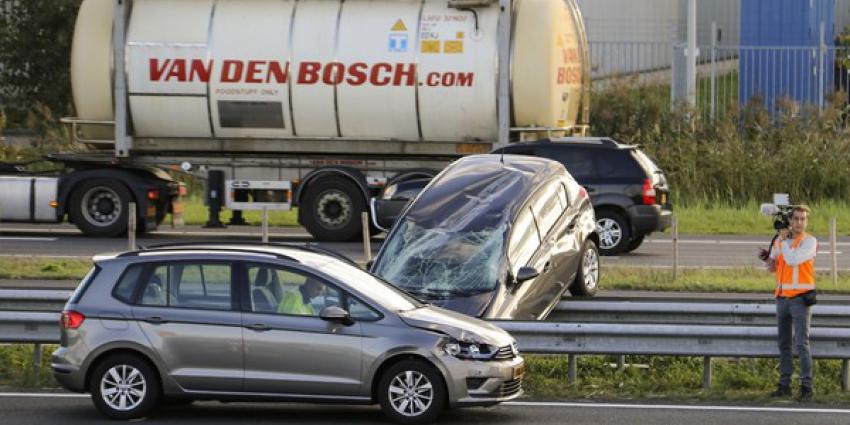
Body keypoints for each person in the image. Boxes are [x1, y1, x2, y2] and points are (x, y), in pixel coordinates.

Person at [765, 205, 817, 401]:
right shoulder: (782, 240)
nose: (799, 222)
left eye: (803, 219)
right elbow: (773, 265)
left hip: (800, 300)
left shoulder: (810, 242)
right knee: (784, 344)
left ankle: (806, 387)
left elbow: (793, 259)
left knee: (801, 344)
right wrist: (768, 260)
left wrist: (784, 241)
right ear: (790, 220)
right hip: (782, 298)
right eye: (796, 218)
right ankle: (784, 385)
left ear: (806, 221)